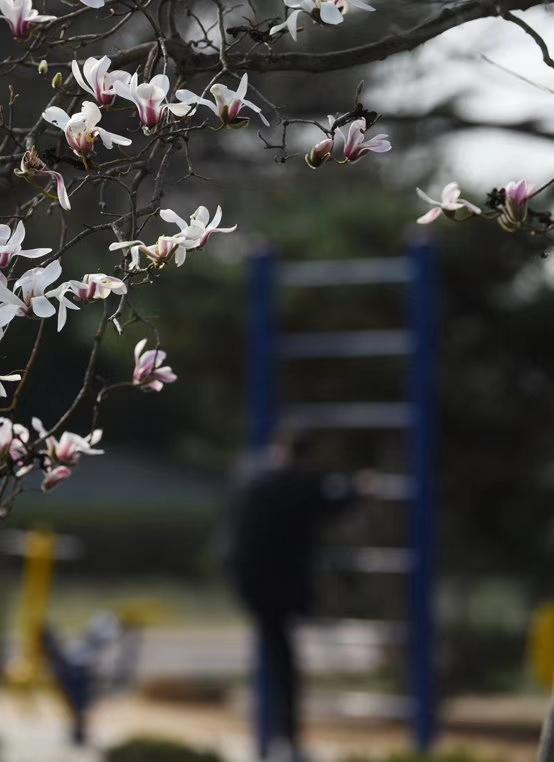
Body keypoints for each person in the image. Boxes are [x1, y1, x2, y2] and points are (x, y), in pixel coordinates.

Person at [225, 431, 370, 762]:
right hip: (277, 586)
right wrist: (358, 487)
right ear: (306, 457)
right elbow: (330, 504)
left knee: (275, 655)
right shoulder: (296, 485)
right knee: (283, 663)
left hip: (247, 580)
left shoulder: (250, 473)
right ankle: (286, 737)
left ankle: (277, 734)